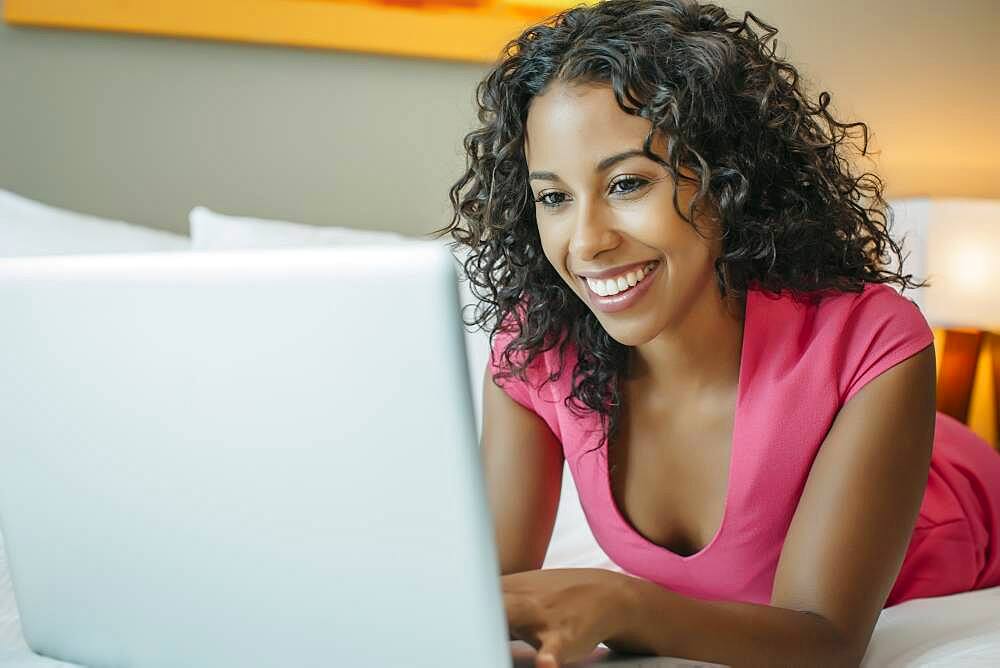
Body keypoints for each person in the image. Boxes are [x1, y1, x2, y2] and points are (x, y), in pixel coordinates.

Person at [435, 0, 1000, 665]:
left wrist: (623, 604)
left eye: (626, 183)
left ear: (726, 179)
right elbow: (486, 594)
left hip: (958, 507)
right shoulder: (535, 348)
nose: (586, 243)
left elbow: (826, 639)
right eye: (554, 197)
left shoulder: (868, 340)